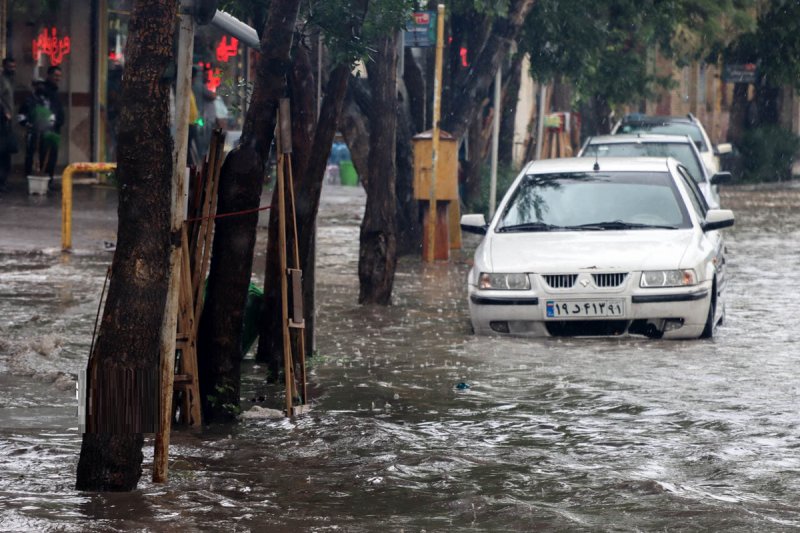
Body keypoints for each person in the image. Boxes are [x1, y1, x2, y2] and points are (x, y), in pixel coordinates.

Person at [0, 57, 17, 193]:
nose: (12, 69)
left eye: (13, 66)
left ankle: (4, 180)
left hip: (8, 122)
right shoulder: (2, 80)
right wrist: (4, 111)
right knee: (2, 152)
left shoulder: (10, 81)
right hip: (2, 121)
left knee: (6, 152)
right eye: (10, 67)